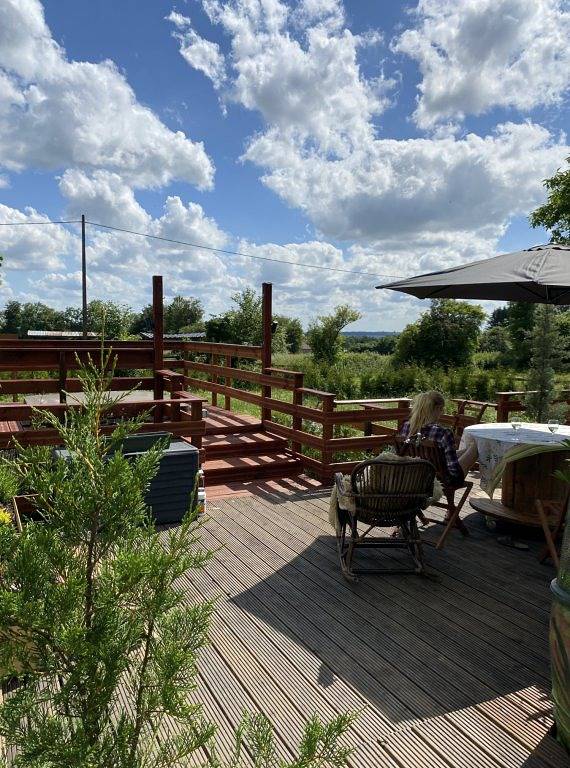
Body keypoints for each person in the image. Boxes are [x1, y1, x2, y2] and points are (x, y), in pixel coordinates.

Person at [400, 390, 478, 485]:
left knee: (466, 450)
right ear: (438, 408)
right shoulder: (443, 433)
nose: (442, 413)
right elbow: (454, 469)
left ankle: (468, 449)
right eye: (442, 410)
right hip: (442, 479)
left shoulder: (406, 426)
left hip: (416, 476)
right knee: (476, 447)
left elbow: (439, 456)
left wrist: (465, 451)